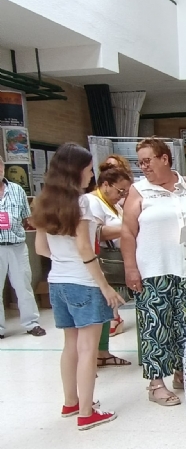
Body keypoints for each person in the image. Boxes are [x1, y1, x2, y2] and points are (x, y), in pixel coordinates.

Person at [32, 143, 124, 430]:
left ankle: (70, 402)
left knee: (70, 345)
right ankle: (87, 412)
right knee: (88, 349)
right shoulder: (82, 202)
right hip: (83, 283)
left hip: (57, 281)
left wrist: (63, 256)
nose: (91, 177)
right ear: (76, 171)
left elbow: (41, 248)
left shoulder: (42, 201)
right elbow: (85, 249)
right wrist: (106, 287)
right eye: (88, 170)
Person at [121, 137, 186, 407]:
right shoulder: (139, 191)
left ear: (165, 158)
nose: (144, 167)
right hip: (153, 270)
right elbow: (127, 232)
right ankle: (155, 383)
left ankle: (184, 373)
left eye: (148, 160)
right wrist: (130, 268)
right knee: (156, 326)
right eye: (140, 162)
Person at [87, 162, 133, 367]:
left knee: (108, 309)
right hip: (104, 262)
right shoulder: (93, 201)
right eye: (119, 190)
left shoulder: (113, 204)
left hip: (119, 258)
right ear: (106, 185)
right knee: (101, 309)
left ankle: (103, 352)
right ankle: (97, 354)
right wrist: (128, 226)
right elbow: (97, 233)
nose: (121, 195)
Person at [0, 153, 46, 339]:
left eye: (0, 167)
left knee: (23, 285)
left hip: (17, 245)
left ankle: (31, 323)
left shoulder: (17, 190)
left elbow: (28, 218)